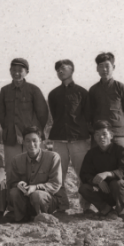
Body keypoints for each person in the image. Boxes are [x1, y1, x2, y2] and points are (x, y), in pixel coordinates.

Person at [47, 59, 92, 213]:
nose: (60, 71)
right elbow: (54, 115)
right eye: (58, 69)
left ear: (72, 70)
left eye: (64, 68)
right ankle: (62, 206)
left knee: (83, 174)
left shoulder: (82, 92)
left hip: (79, 140)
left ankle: (86, 207)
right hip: (59, 140)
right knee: (58, 175)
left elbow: (88, 116)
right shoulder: (53, 94)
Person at [0, 58, 49, 174]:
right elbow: (1, 114)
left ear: (27, 72)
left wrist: (35, 131)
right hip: (11, 138)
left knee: (35, 169)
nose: (16, 73)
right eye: (13, 70)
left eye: (20, 70)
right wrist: (8, 128)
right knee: (12, 169)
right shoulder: (4, 90)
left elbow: (43, 114)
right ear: (10, 71)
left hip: (31, 138)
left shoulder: (33, 90)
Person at [87, 52, 124, 176]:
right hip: (99, 135)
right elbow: (90, 113)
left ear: (113, 67)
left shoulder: (122, 88)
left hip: (118, 134)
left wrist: (121, 131)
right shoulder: (93, 90)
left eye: (107, 66)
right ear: (97, 68)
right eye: (101, 66)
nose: (104, 69)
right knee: (96, 164)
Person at [78, 121, 124, 220]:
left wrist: (108, 174)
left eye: (104, 134)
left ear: (111, 135)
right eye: (97, 134)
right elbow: (84, 174)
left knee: (118, 183)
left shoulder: (121, 151)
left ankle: (121, 211)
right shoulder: (91, 154)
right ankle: (107, 210)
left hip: (120, 192)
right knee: (84, 188)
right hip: (102, 191)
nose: (101, 137)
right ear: (94, 137)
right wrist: (97, 180)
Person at [7, 126, 62, 222]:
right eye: (27, 141)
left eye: (34, 140)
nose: (31, 144)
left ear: (40, 141)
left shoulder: (53, 157)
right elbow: (12, 182)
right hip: (25, 200)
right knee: (14, 192)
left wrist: (36, 187)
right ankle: (21, 218)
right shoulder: (16, 160)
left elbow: (55, 183)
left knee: (37, 195)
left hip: (47, 199)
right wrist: (19, 184)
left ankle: (43, 218)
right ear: (23, 142)